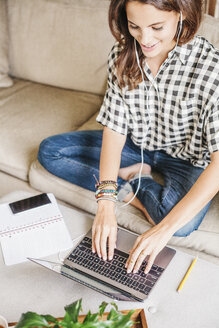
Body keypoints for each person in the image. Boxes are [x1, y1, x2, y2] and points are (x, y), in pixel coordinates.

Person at [38, 0, 219, 275]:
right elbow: (115, 128)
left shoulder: (210, 68)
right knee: (51, 152)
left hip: (188, 159)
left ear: (180, 15)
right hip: (137, 146)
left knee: (180, 226)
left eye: (156, 27)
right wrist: (106, 203)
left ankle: (139, 180)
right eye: (135, 26)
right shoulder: (123, 54)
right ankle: (129, 185)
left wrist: (163, 231)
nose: (145, 39)